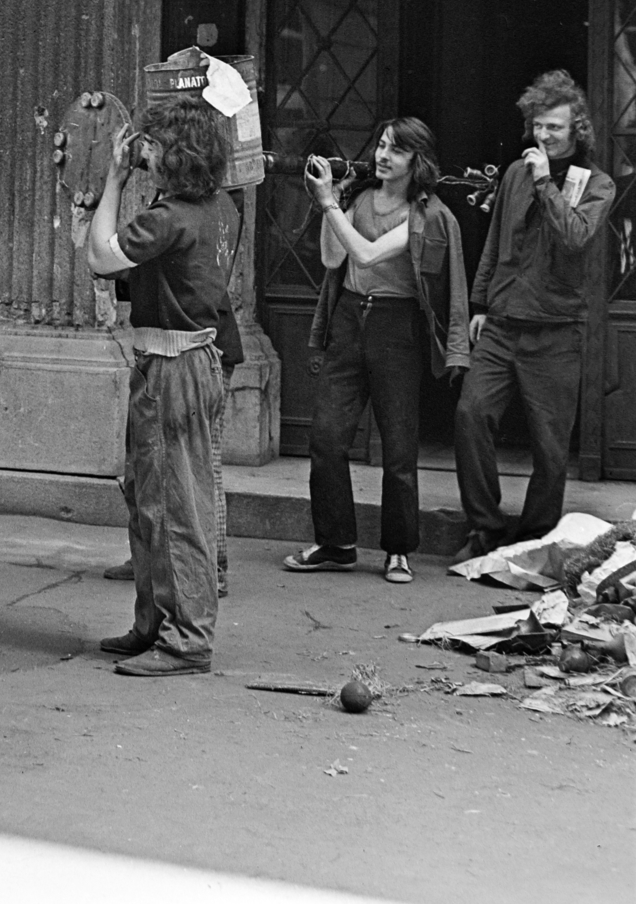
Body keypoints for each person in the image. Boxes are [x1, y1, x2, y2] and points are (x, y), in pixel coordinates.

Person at [85, 96, 241, 677]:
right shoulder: (216, 206)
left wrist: (112, 179)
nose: (139, 150)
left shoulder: (169, 216)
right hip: (188, 360)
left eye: (149, 143)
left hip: (172, 367)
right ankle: (154, 624)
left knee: (175, 507)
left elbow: (102, 258)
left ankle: (187, 640)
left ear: (173, 153)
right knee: (151, 502)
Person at [283, 119, 470, 584]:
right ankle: (336, 544)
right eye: (383, 145)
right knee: (325, 438)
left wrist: (328, 202)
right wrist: (334, 206)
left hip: (395, 326)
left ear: (416, 161)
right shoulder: (360, 198)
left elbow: (366, 254)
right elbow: (334, 259)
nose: (384, 155)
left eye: (397, 150)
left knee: (400, 446)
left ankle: (399, 550)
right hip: (348, 318)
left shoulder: (424, 215)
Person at [453, 71, 614, 559]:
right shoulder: (514, 174)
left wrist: (546, 181)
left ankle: (535, 538)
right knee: (470, 414)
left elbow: (575, 238)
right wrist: (481, 305)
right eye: (538, 126)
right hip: (503, 323)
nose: (543, 136)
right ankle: (484, 528)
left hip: (557, 329)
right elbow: (493, 245)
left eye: (555, 129)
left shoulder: (598, 185)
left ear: (577, 130)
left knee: (550, 444)